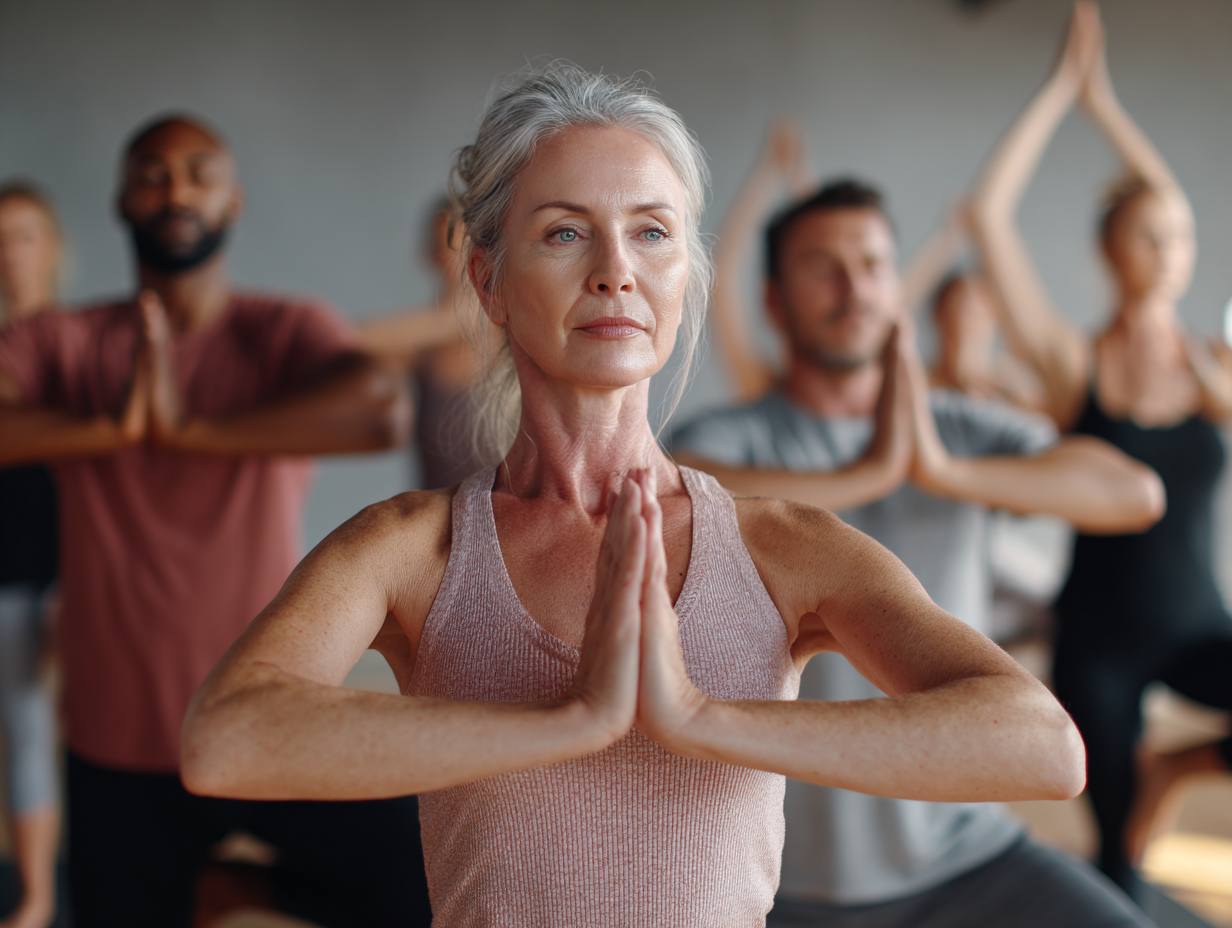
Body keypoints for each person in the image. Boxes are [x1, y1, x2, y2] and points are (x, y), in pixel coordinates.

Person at [180, 65, 1087, 928]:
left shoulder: (783, 547)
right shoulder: (414, 549)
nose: (616, 269)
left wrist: (695, 717)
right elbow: (226, 739)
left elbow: (1041, 747)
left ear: (683, 273)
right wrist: (572, 721)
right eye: (565, 232)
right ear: (488, 280)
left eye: (651, 231)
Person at [670, 178, 1164, 928]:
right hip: (778, 886)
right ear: (774, 301)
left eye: (872, 264)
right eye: (822, 267)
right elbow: (689, 495)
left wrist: (945, 471)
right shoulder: (730, 438)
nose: (854, 287)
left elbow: (1133, 494)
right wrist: (873, 472)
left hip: (969, 858)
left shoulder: (958, 431)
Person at [0, 115, 428, 928]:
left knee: (418, 888)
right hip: (119, 749)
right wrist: (111, 430)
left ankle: (239, 890)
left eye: (199, 174)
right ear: (122, 201)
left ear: (233, 203)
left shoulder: (281, 331)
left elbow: (380, 413)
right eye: (153, 175)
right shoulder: (61, 340)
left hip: (273, 720)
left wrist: (191, 432)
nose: (176, 191)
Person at [966, 2, 1232, 895]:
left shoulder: (1214, 366)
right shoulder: (1072, 361)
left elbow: (1167, 203)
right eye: (1148, 236)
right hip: (1101, 641)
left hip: (1202, 626)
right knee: (1119, 861)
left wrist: (1110, 106)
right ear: (1109, 250)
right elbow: (988, 216)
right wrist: (1060, 96)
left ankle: (1179, 769)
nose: (1169, 251)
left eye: (1180, 238)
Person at [0, 181, 63, 928]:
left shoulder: (85, 346)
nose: (11, 255)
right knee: (25, 725)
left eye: (24, 235)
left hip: (77, 572)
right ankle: (38, 894)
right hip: (10, 571)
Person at [357, 198, 487, 489]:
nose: (447, 256)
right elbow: (347, 347)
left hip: (506, 525)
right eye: (439, 246)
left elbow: (348, 337)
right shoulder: (420, 349)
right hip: (435, 524)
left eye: (457, 245)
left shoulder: (509, 333)